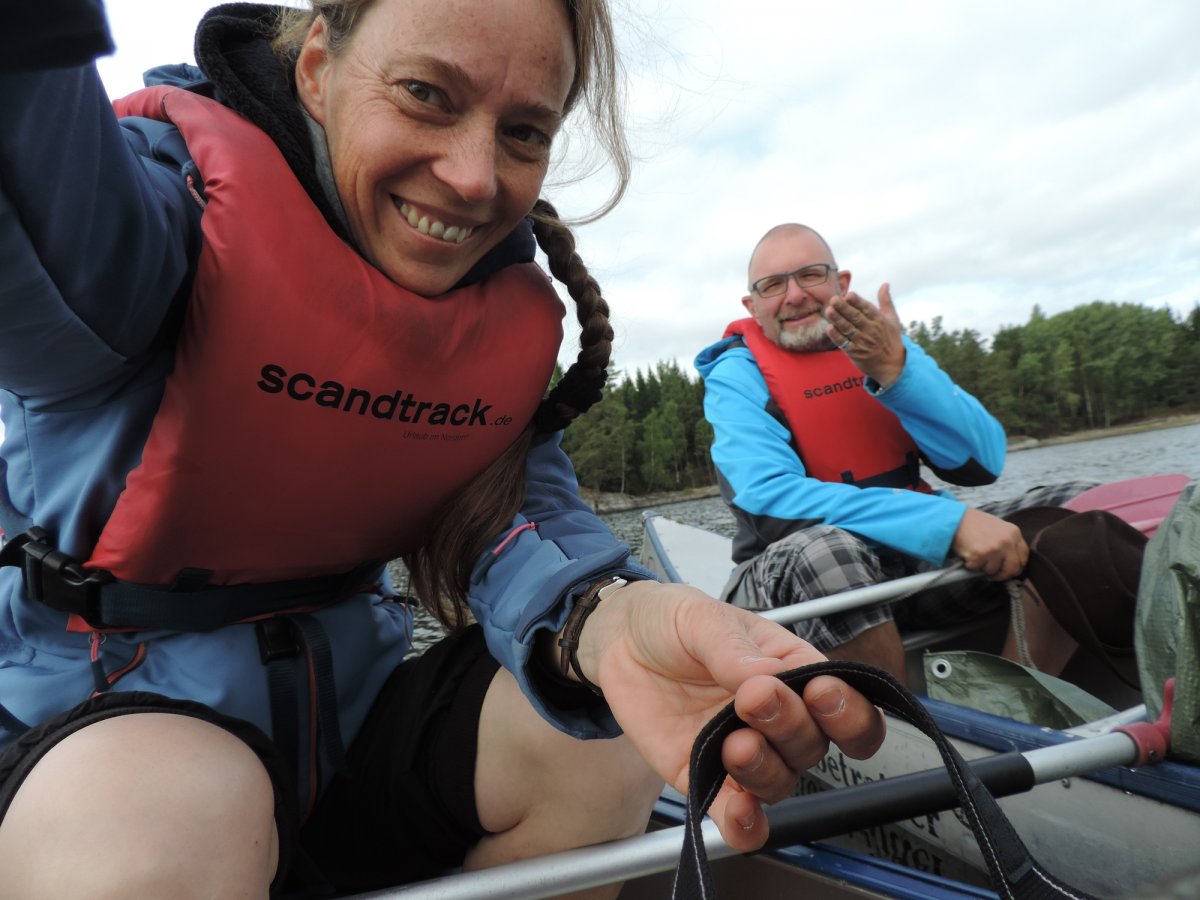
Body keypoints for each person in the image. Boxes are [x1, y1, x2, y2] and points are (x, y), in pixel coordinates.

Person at [0, 6, 887, 898]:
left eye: (524, 132)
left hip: (345, 734)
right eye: (426, 94)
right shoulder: (143, 233)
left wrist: (612, 621)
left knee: (600, 727)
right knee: (164, 823)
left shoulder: (488, 309)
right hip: (105, 742)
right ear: (317, 66)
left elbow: (521, 525)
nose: (472, 178)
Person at [696, 223, 1092, 684]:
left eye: (810, 275)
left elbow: (982, 461)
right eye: (773, 285)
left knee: (1080, 509)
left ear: (842, 283)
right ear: (753, 306)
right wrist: (947, 523)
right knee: (828, 553)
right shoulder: (736, 372)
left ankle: (1021, 698)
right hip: (790, 580)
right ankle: (894, 722)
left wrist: (896, 369)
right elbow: (768, 503)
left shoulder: (881, 344)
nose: (795, 295)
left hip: (910, 567)